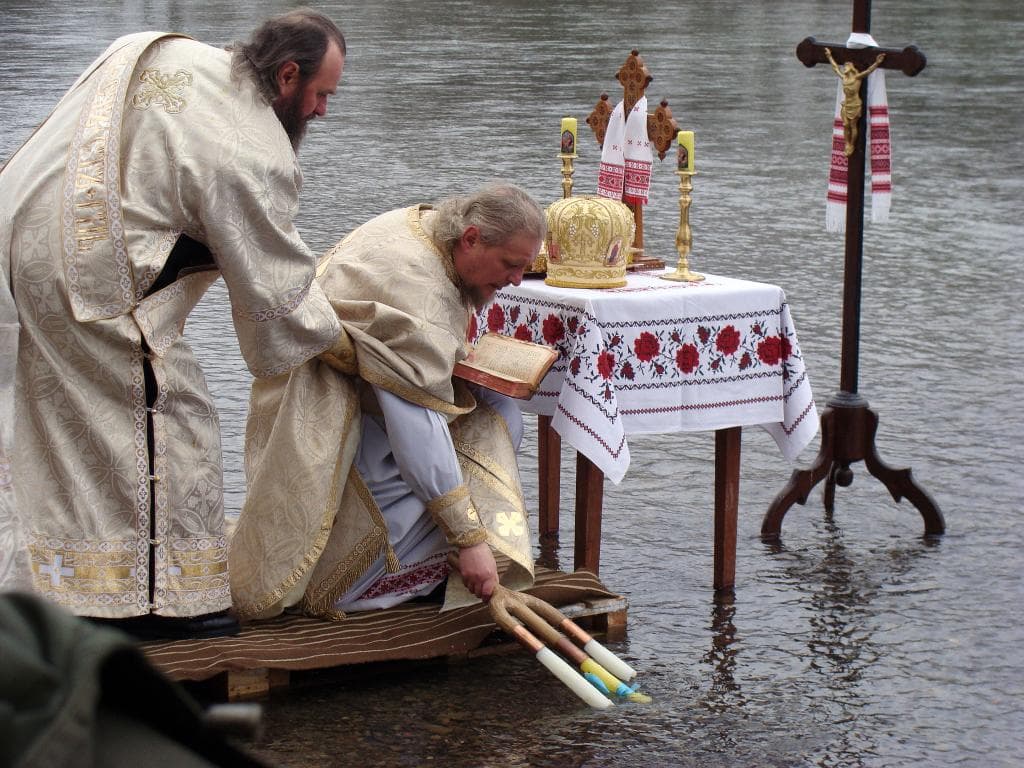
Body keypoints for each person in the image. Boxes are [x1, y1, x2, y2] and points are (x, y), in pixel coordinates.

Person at [0, 9, 347, 637]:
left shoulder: (180, 56)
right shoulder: (251, 144)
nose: (323, 112)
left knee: (63, 434)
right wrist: (341, 338)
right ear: (288, 75)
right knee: (173, 420)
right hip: (94, 284)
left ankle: (70, 588)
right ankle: (161, 605)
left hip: (25, 244)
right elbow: (276, 290)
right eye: (322, 94)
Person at [229, 183, 545, 621]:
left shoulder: (424, 225)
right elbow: (418, 430)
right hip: (330, 429)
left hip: (314, 402)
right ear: (471, 238)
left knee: (499, 409)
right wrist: (470, 540)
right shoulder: (420, 293)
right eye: (511, 265)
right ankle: (368, 579)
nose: (516, 281)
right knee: (490, 429)